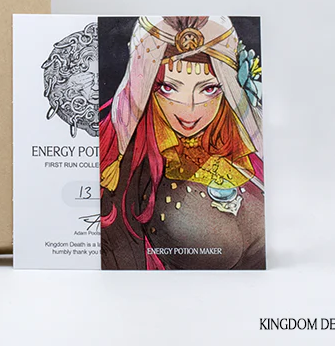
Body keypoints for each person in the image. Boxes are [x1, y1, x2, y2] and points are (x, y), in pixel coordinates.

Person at [99, 16, 264, 270]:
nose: (190, 108)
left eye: (209, 89)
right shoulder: (126, 171)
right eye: (168, 88)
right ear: (145, 87)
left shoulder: (244, 152)